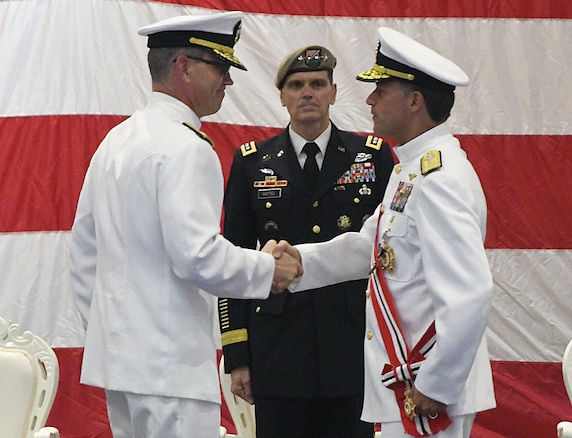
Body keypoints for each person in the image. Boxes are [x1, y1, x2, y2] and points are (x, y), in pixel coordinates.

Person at [69, 12, 301, 438]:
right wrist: (269, 269)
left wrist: (115, 333)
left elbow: (84, 253)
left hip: (124, 366)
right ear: (184, 67)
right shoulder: (185, 147)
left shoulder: (116, 141)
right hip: (170, 369)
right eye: (221, 66)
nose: (228, 81)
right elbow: (197, 257)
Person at [280, 27, 496, 437]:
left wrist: (437, 382)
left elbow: (471, 293)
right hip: (409, 377)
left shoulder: (439, 178)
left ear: (414, 100)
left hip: (429, 387)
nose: (370, 99)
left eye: (381, 88)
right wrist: (298, 263)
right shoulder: (410, 169)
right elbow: (371, 247)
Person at [218, 45, 395, 437]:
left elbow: (390, 255)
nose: (307, 93)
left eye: (318, 83)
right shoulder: (252, 163)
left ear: (333, 91)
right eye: (296, 85)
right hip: (278, 349)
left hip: (351, 347)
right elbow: (233, 262)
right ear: (282, 96)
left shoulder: (373, 157)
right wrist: (238, 355)